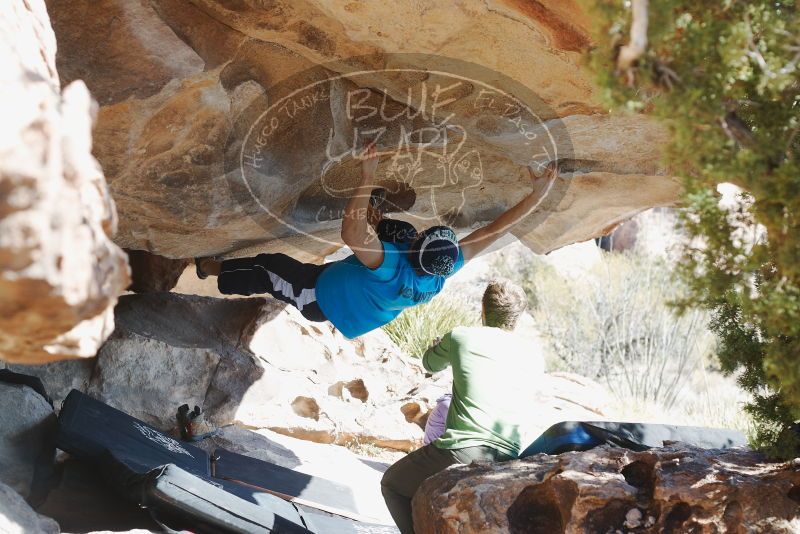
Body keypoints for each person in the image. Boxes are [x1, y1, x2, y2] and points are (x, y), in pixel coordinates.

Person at [196, 144, 557, 339]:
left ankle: (210, 269)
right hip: (357, 291)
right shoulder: (439, 271)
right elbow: (492, 231)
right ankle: (378, 216)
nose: (425, 232)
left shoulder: (390, 267)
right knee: (397, 234)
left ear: (415, 253)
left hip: (319, 297)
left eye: (425, 236)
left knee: (268, 267)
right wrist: (537, 195)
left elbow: (351, 235)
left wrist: (366, 176)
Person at [380, 280, 541, 534]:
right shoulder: (533, 356)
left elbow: (429, 364)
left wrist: (437, 347)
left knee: (393, 484)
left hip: (462, 449)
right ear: (516, 317)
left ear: (483, 309)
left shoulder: (462, 336)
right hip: (509, 457)